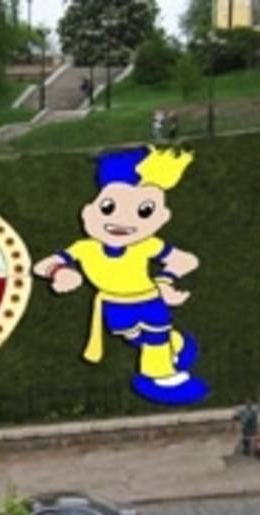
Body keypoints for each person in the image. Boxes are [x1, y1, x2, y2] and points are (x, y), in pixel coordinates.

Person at [33, 147, 208, 405]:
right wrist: (59, 272)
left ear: (162, 217)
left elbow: (186, 260)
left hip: (148, 299)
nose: (123, 220)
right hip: (113, 304)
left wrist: (165, 281)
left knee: (155, 338)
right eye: (108, 207)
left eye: (144, 211)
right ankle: (178, 344)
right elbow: (43, 265)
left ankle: (161, 378)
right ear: (89, 211)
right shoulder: (85, 248)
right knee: (134, 337)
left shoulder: (146, 245)